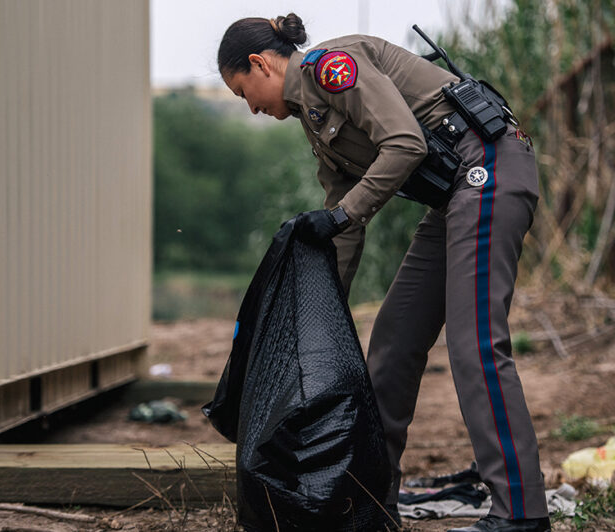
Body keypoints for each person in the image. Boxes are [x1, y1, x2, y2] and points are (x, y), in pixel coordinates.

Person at [218, 13, 551, 532]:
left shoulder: (333, 68)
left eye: (244, 93)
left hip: (489, 169)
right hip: (454, 199)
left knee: (475, 344)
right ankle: (369, 507)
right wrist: (320, 312)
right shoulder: (313, 117)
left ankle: (523, 512)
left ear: (260, 64)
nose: (253, 109)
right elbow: (340, 222)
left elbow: (404, 144)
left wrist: (343, 214)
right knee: (391, 347)